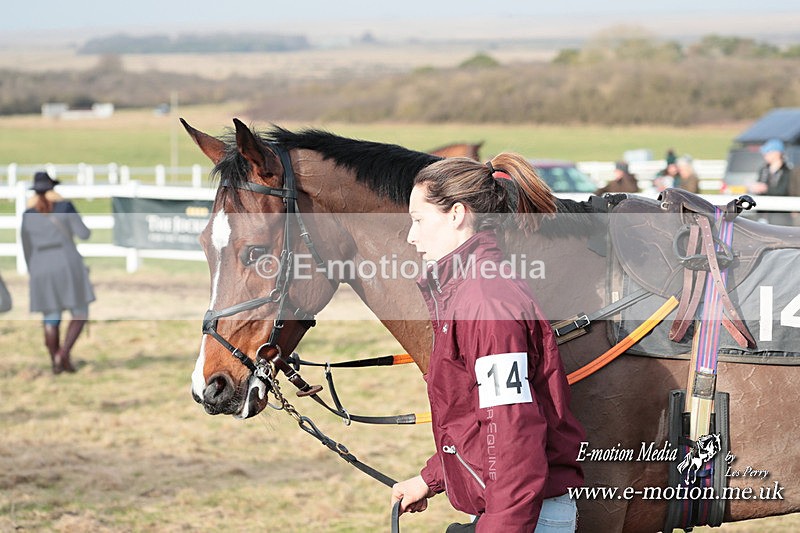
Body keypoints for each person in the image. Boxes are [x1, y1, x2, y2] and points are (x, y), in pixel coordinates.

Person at [392, 154, 586, 532]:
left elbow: (511, 428)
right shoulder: (468, 291)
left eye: (418, 221)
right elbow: (474, 421)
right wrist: (432, 478)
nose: (411, 236)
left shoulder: (485, 301)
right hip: (508, 507)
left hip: (522, 516)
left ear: (457, 214)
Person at [21, 171, 95, 374]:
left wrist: (33, 271)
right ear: (53, 188)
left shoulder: (28, 215)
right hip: (67, 263)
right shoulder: (65, 207)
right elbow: (84, 234)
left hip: (40, 267)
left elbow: (26, 247)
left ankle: (55, 361)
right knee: (80, 311)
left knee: (51, 316)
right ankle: (63, 353)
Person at [747, 138, 795, 225]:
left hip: (780, 216)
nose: (765, 155)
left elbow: (784, 190)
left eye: (768, 152)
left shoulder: (788, 171)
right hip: (763, 214)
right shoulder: (763, 170)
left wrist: (765, 189)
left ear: (777, 153)